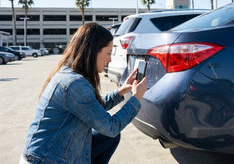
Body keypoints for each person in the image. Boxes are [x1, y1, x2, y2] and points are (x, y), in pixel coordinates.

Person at [20, 22, 147, 164]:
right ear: (93, 52)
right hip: (44, 160)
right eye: (108, 53)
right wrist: (135, 99)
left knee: (109, 137)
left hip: (53, 155)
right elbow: (111, 126)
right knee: (110, 133)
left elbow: (93, 110)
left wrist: (121, 91)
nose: (110, 59)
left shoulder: (70, 74)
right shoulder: (74, 84)